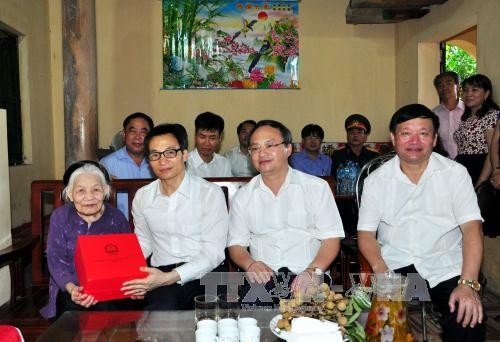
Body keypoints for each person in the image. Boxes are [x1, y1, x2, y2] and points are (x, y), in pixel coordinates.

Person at [357, 104, 485, 341]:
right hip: (395, 265)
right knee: (376, 328)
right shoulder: (377, 180)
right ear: (393, 138)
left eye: (423, 133)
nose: (415, 140)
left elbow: (471, 229)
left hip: (445, 263)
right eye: (406, 133)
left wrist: (468, 283)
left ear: (434, 139)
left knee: (468, 322)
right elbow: (366, 234)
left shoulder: (455, 174)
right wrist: (380, 268)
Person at [227, 120, 344, 307]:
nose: (262, 153)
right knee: (253, 321)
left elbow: (331, 239)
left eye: (270, 145)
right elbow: (236, 245)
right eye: (255, 148)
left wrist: (312, 271)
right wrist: (250, 264)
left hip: (308, 273)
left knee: (309, 322)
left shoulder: (316, 188)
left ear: (288, 149)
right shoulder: (244, 196)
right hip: (264, 278)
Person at [121, 123, 228, 310]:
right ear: (149, 160)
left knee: (216, 320)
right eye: (155, 155)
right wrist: (127, 273)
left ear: (184, 154)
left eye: (170, 152)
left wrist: (170, 277)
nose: (162, 161)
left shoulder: (209, 193)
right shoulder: (143, 197)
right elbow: (143, 243)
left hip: (207, 271)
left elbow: (213, 252)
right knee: (159, 314)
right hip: (162, 272)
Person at [40, 161, 130, 319]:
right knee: (71, 309)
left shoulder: (116, 218)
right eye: (81, 191)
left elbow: (126, 260)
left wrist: (102, 289)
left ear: (105, 191)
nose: (89, 197)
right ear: (70, 194)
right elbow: (56, 260)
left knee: (106, 309)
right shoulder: (61, 217)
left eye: (96, 189)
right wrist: (72, 288)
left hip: (108, 288)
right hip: (71, 287)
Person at [100, 112, 155, 216]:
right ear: (124, 136)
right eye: (133, 131)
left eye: (143, 132)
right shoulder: (107, 164)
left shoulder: (159, 162)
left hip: (152, 226)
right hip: (119, 227)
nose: (138, 137)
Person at [454, 74, 498, 187]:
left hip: (480, 168)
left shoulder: (491, 115)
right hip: (463, 167)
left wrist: (481, 180)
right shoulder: (466, 118)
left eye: (474, 90)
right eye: (465, 90)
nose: (468, 94)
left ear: (486, 94)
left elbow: (492, 150)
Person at [331, 114, 379, 180]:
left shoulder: (373, 156)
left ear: (365, 137)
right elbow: (333, 178)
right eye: (351, 132)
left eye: (359, 132)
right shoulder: (338, 154)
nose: (355, 135)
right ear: (347, 136)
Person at [187, 111, 232, 177]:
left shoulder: (224, 163)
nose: (207, 143)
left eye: (212, 138)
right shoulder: (185, 164)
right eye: (202, 137)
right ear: (195, 136)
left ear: (220, 138)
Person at [432, 71, 465, 159]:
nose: (444, 88)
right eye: (440, 85)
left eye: (448, 83)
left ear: (457, 87)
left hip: (469, 163)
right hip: (444, 164)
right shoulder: (434, 114)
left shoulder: (469, 111)